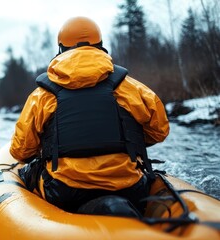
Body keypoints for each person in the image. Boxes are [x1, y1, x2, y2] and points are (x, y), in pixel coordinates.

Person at [9, 16, 170, 215]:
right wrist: (126, 139)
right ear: (100, 45)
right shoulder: (130, 88)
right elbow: (159, 132)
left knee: (29, 173)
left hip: (64, 192)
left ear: (61, 48)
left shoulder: (42, 95)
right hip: (129, 188)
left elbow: (21, 152)